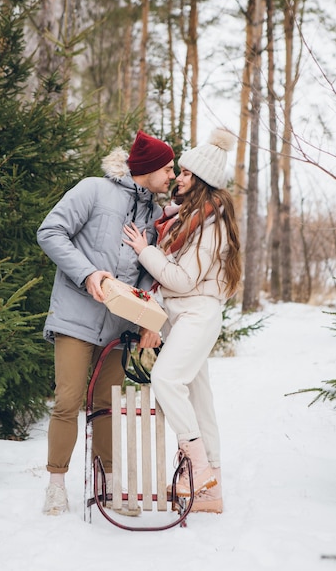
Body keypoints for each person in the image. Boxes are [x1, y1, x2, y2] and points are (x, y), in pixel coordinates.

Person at [37, 130, 175, 516]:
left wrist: (149, 317)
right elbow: (49, 232)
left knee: (108, 405)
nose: (171, 175)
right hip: (76, 318)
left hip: (119, 326)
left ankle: (111, 484)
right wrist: (88, 274)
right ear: (146, 168)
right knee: (67, 401)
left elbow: (147, 272)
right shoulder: (94, 190)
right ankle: (56, 485)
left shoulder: (152, 215)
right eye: (166, 168)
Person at [124, 128, 242, 514]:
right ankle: (211, 491)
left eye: (187, 174)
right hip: (182, 314)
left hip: (196, 312)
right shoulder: (186, 218)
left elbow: (182, 278)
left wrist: (145, 251)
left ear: (202, 183)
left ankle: (198, 467)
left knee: (166, 380)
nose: (178, 178)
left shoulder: (212, 225)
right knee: (198, 396)